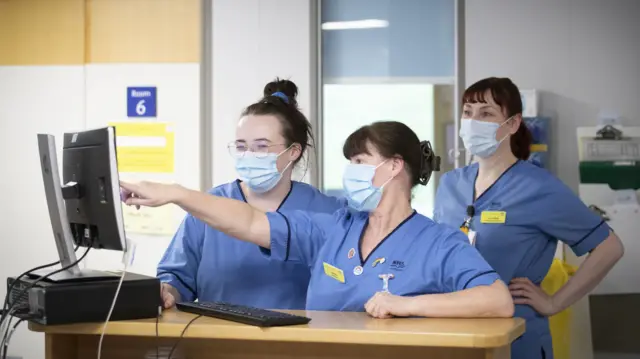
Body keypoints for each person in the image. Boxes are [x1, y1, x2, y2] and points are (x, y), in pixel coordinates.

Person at [121, 121, 515, 319]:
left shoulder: (438, 242)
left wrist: (408, 305)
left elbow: (497, 300)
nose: (351, 172)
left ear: (395, 167)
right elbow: (248, 222)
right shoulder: (333, 226)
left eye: (360, 162)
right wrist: (178, 193)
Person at [433, 77, 624, 359]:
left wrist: (555, 303)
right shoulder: (450, 184)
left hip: (516, 338)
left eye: (486, 113)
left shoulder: (539, 188)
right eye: (468, 112)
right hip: (453, 333)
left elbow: (610, 247)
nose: (473, 121)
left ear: (511, 124)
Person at [156, 79, 345, 310]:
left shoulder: (325, 211)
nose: (248, 156)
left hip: (298, 342)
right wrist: (167, 291)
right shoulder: (209, 207)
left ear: (293, 151)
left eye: (261, 146)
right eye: (241, 146)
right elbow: (176, 278)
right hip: (215, 339)